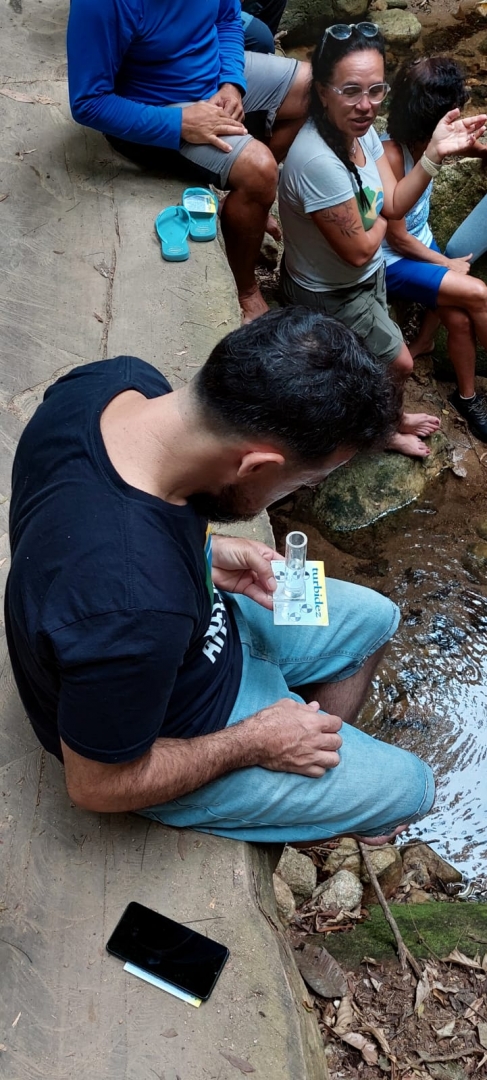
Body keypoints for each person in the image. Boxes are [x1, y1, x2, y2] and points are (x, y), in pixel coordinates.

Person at [5, 308, 435, 844]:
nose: (299, 491)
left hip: (188, 636)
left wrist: (203, 553)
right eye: (305, 480)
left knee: (377, 618)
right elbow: (97, 786)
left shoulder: (116, 383)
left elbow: (91, 517)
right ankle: (310, 794)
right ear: (255, 466)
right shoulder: (133, 603)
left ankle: (311, 742)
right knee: (414, 789)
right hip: (174, 725)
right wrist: (256, 741)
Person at [278, 23, 487, 456]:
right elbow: (362, 248)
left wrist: (434, 154)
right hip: (333, 288)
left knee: (389, 359)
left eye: (376, 91)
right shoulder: (319, 161)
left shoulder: (361, 131)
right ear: (322, 91)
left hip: (363, 276)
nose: (366, 105)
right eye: (351, 90)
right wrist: (378, 212)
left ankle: (390, 416)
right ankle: (381, 430)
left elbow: (393, 203)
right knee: (400, 364)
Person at [67, 0, 308, 323]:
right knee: (260, 170)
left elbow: (227, 18)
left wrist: (232, 83)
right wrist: (180, 124)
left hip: (212, 76)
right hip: (156, 106)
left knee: (319, 87)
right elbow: (88, 102)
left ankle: (249, 204)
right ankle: (246, 290)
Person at [382, 57, 487, 442]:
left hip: (420, 243)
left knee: (458, 321)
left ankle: (465, 396)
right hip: (392, 259)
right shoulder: (391, 154)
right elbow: (397, 238)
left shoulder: (426, 139)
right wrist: (446, 263)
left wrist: (481, 152)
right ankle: (426, 344)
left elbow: (452, 149)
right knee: (478, 293)